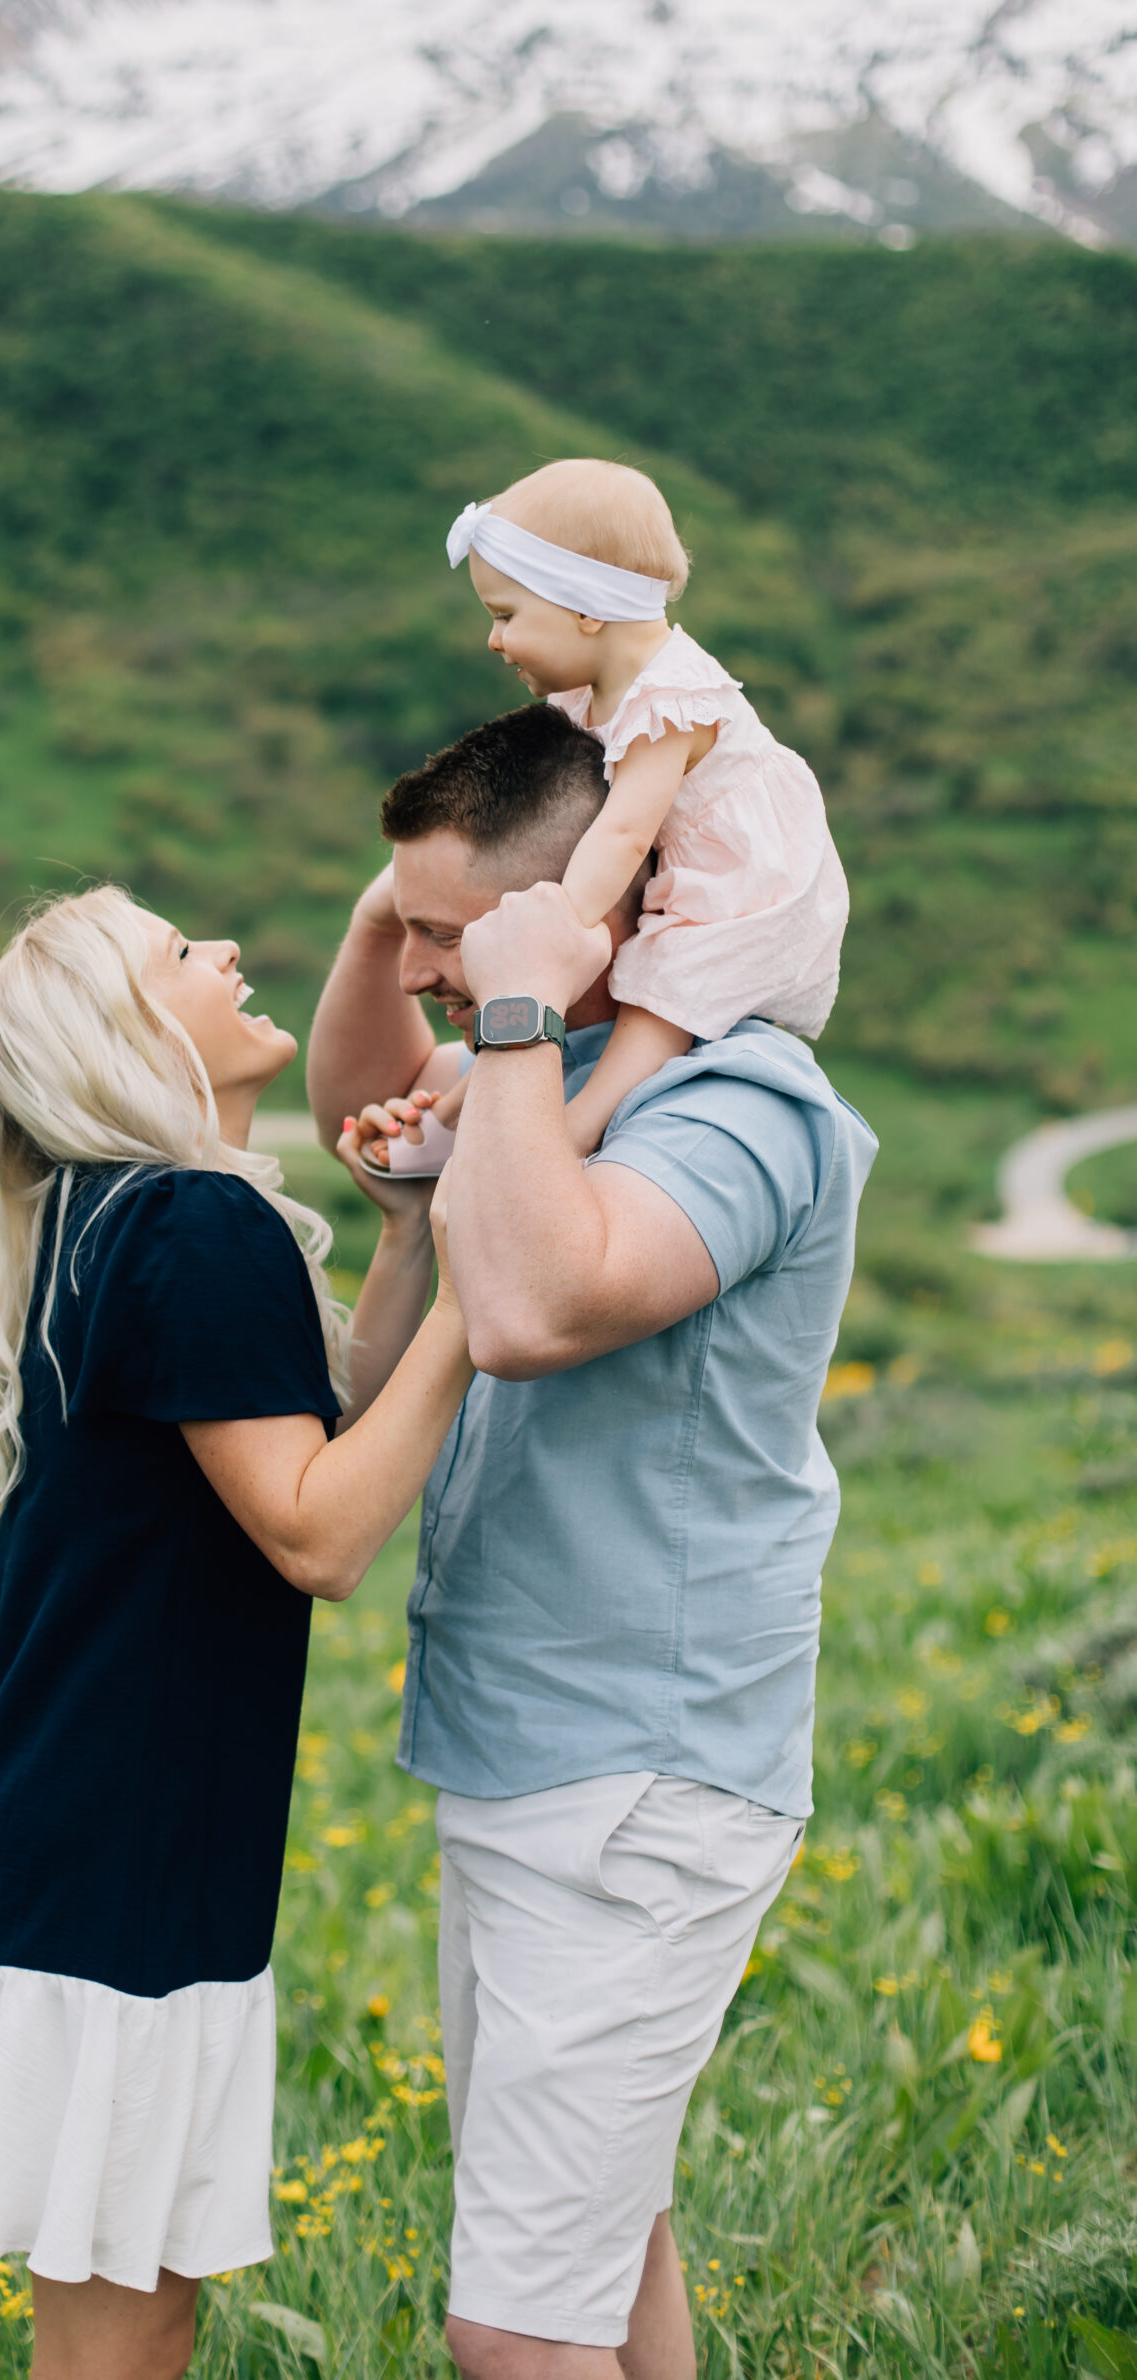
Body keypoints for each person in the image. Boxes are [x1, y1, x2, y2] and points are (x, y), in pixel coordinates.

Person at [307, 705, 876, 2380]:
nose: (419, 972)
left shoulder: (740, 1108)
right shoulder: (541, 1073)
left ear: (582, 932)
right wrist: (395, 928)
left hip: (638, 1776)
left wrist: (505, 1007)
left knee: (512, 2332)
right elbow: (356, 1103)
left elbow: (543, 1304)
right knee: (602, 2249)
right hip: (537, 1754)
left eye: (441, 936)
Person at [0, 884, 473, 2380]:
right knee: (130, 2315)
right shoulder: (191, 1224)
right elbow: (319, 1530)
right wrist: (485, 1297)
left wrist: (411, 1247)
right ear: (124, 1033)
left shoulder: (124, 1213)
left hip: (81, 1819)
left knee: (140, 2296)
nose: (230, 953)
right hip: (116, 1842)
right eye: (182, 955)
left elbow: (303, 1435)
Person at [383, 459, 847, 1178]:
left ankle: (575, 1130)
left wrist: (554, 927)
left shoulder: (669, 697)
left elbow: (626, 830)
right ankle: (450, 1114)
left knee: (660, 994)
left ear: (587, 607)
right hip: (675, 865)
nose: (494, 641)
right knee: (583, 995)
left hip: (739, 877)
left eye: (506, 616)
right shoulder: (589, 690)